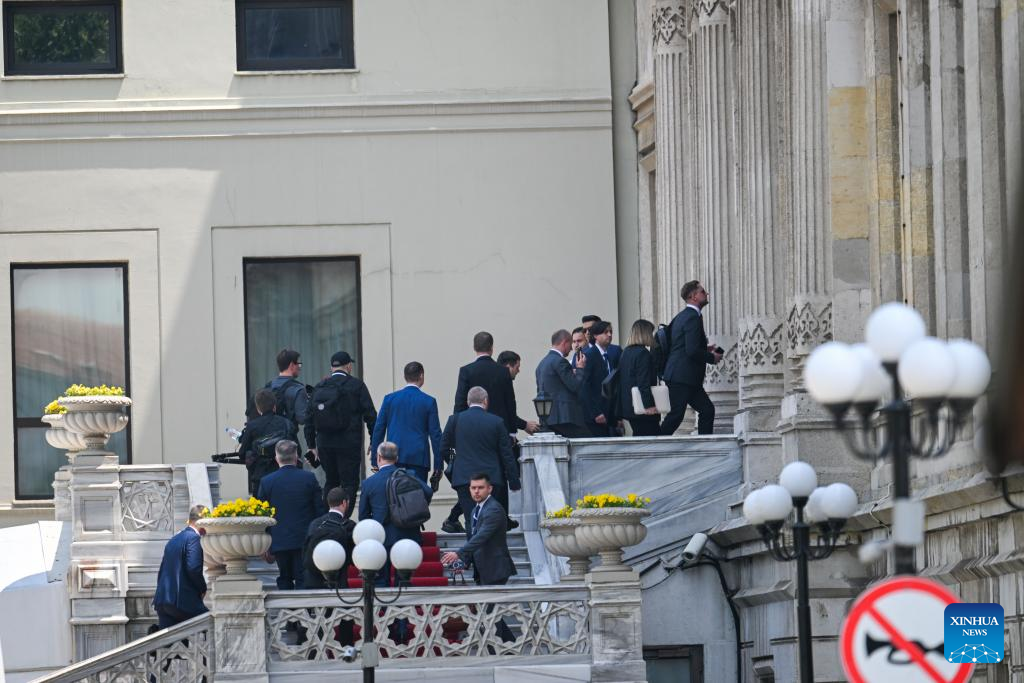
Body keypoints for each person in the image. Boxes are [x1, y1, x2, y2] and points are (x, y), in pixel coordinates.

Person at [443, 332, 517, 533]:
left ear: (474, 348)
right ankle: (502, 518)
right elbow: (510, 404)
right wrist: (511, 431)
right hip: (497, 432)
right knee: (497, 481)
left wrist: (458, 431)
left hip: (468, 437)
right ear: (492, 348)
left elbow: (459, 404)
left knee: (472, 496)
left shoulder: (466, 371)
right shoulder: (502, 372)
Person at [440, 473, 516, 642]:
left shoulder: (494, 509)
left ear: (489, 489)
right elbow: (474, 539)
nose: (476, 491)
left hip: (496, 568)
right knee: (489, 612)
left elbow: (481, 537)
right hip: (483, 568)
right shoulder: (476, 509)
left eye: (480, 488)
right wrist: (464, 562)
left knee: (489, 613)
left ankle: (501, 647)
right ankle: (508, 646)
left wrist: (458, 553)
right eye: (473, 488)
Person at [440, 387, 521, 529]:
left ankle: (473, 542)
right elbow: (506, 454)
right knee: (489, 521)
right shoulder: (496, 422)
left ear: (468, 402)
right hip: (491, 479)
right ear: (485, 401)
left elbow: (444, 448)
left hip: (464, 478)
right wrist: (514, 481)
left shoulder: (454, 420)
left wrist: (455, 461)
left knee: (471, 521)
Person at [358, 442, 433, 585]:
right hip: (408, 533)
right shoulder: (409, 475)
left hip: (381, 537)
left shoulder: (369, 483)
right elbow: (428, 492)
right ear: (397, 458)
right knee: (404, 582)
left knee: (381, 581)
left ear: (378, 457)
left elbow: (363, 516)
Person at [312, 351, 377, 513]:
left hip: (325, 444)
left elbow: (309, 417)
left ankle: (329, 518)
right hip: (349, 443)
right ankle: (343, 519)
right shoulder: (357, 385)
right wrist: (374, 440)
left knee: (331, 481)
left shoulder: (320, 387)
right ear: (348, 366)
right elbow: (370, 415)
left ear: (332, 368)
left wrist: (312, 445)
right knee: (349, 483)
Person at [258, 440, 325, 590]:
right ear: (296, 457)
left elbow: (262, 516)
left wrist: (265, 542)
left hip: (278, 539)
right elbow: (319, 511)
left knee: (284, 578)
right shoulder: (309, 478)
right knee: (303, 578)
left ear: (277, 458)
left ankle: (285, 605)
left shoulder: (267, 482)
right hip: (304, 539)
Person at [660, 280, 722, 435]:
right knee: (676, 415)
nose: (706, 293)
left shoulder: (683, 316)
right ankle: (656, 444)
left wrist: (705, 349)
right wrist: (712, 357)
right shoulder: (692, 317)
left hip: (685, 376)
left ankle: (704, 445)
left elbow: (682, 345)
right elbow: (691, 350)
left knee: (707, 410)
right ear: (694, 296)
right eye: (703, 291)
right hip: (682, 377)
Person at [370, 362, 443, 484]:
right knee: (417, 493)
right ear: (421, 376)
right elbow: (436, 435)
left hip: (393, 456)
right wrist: (438, 466)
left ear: (405, 377)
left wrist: (375, 459)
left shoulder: (389, 399)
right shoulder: (429, 401)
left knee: (394, 493)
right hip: (419, 458)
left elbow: (379, 429)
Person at [246, 348, 315, 451]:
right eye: (299, 364)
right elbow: (303, 419)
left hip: (265, 446)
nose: (299, 368)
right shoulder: (298, 389)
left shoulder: (267, 388)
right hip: (287, 446)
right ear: (292, 365)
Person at [153, 504, 208, 629]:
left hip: (163, 600)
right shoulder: (194, 538)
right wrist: (202, 588)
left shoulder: (174, 538)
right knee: (212, 624)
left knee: (171, 640)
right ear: (202, 521)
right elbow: (193, 568)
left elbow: (162, 570)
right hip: (181, 601)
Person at [237, 388, 297, 495]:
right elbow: (297, 449)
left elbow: (242, 453)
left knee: (261, 505)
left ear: (258, 408)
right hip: (285, 477)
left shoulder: (252, 426)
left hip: (260, 476)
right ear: (274, 406)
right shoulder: (287, 424)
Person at [534, 329, 590, 438]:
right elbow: (575, 386)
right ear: (565, 342)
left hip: (548, 419)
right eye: (571, 343)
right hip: (565, 417)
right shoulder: (560, 361)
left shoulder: (541, 364)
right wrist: (580, 368)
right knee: (588, 442)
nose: (571, 348)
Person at [302, 486, 356, 589]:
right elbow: (353, 557)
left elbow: (305, 552)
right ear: (344, 503)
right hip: (338, 582)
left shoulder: (314, 524)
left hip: (313, 581)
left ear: (328, 502)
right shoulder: (349, 525)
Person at [619, 319, 662, 436]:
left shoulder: (626, 352)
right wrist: (649, 405)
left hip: (631, 407)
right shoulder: (643, 353)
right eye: (650, 333)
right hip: (642, 407)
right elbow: (643, 383)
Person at [581, 320, 623, 437]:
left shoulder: (608, 356)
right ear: (595, 335)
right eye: (605, 332)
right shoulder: (589, 355)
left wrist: (615, 418)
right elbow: (585, 387)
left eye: (611, 332)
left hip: (608, 416)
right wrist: (595, 413)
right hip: (595, 416)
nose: (609, 335)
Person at [495, 350, 540, 436]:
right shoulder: (503, 383)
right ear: (508, 367)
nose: (518, 371)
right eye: (517, 367)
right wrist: (525, 425)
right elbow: (506, 412)